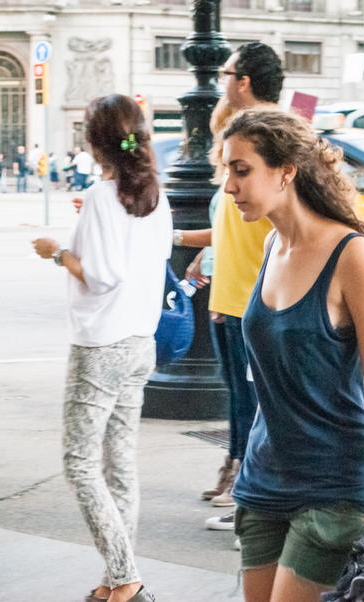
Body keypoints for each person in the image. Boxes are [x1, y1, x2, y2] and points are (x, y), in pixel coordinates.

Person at [216, 108, 364, 601]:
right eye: (226, 170)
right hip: (263, 480)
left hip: (333, 485)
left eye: (241, 170)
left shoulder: (351, 255)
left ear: (286, 171)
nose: (228, 185)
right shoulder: (270, 246)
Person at [32, 94, 171, 602]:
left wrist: (58, 253)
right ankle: (118, 579)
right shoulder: (155, 196)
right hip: (140, 340)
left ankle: (126, 578)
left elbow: (103, 275)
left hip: (102, 345)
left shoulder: (99, 197)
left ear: (94, 142)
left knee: (81, 464)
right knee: (120, 463)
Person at [174, 44, 284, 528]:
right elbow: (234, 220)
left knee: (256, 396)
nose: (219, 81)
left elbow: (282, 222)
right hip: (229, 286)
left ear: (242, 81)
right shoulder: (240, 137)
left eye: (225, 72)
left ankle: (252, 489)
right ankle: (238, 472)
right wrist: (206, 253)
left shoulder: (273, 138)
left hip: (254, 292)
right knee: (240, 394)